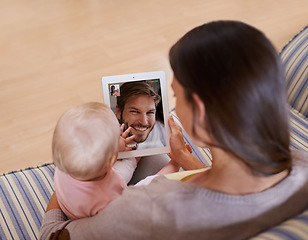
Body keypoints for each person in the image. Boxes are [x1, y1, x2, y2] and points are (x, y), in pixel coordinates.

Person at [40, 20, 308, 240]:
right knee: (154, 155)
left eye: (177, 97)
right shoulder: (302, 167)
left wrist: (68, 176)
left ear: (200, 112)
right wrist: (184, 160)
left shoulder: (147, 209)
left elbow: (54, 236)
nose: (174, 108)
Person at [51, 102, 138, 219]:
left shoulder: (65, 165)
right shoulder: (110, 195)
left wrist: (113, 146)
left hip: (71, 205)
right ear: (112, 160)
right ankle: (137, 156)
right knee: (130, 161)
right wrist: (120, 148)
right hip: (93, 213)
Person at [116, 81, 166, 150]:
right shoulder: (108, 136)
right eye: (135, 112)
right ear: (118, 112)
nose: (144, 122)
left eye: (150, 112)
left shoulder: (154, 132)